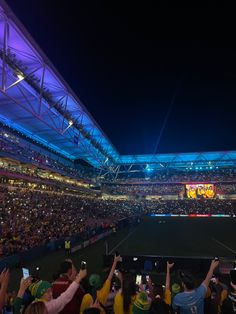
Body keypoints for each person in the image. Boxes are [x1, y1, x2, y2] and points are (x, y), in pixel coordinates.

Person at [14, 269, 87, 314]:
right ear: (40, 295)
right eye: (47, 292)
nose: (51, 294)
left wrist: (22, 288)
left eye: (51, 290)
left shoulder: (33, 305)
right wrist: (79, 277)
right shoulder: (47, 307)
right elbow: (65, 297)